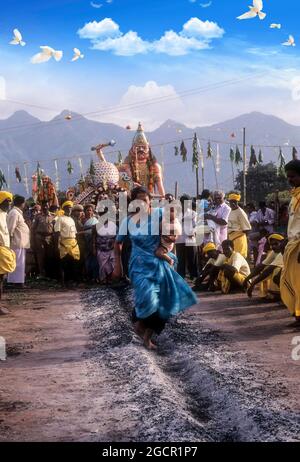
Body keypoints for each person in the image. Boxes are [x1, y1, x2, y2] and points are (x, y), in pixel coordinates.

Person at [113, 186, 197, 350]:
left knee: (165, 302)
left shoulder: (160, 214)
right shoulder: (128, 221)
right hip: (139, 265)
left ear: (150, 200)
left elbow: (175, 231)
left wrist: (168, 242)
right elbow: (118, 243)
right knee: (150, 299)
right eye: (138, 201)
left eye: (145, 200)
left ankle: (147, 336)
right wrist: (117, 265)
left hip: (160, 262)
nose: (142, 204)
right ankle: (139, 322)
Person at [280, 160, 300, 322]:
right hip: (292, 245)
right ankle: (296, 313)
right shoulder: (294, 196)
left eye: (293, 176)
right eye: (288, 177)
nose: (290, 180)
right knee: (292, 281)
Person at [244, 234, 285, 301]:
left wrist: (253, 284)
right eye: (271, 245)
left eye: (276, 244)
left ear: (282, 244)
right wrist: (247, 279)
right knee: (265, 269)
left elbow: (269, 270)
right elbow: (260, 266)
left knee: (276, 270)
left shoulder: (283, 252)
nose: (273, 247)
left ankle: (282, 294)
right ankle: (275, 293)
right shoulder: (274, 252)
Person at [54, 201, 80, 286]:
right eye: (67, 208)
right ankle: (62, 282)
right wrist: (57, 245)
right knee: (63, 263)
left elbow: (75, 233)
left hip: (73, 243)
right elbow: (57, 233)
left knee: (74, 262)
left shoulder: (72, 219)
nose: (69, 210)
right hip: (64, 243)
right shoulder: (60, 219)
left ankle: (73, 281)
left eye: (70, 208)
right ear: (64, 209)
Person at [7, 195, 30, 287]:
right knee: (18, 263)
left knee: (18, 262)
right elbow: (10, 228)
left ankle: (15, 281)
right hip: (17, 242)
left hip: (19, 242)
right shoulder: (14, 213)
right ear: (22, 203)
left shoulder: (16, 212)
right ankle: (18, 282)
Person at [0, 192, 16, 315]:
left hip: (4, 250)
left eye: (10, 202)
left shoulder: (4, 214)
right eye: (6, 201)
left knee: (1, 279)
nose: (9, 204)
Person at [176, 194, 198, 280]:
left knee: (192, 258)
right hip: (179, 239)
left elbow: (196, 226)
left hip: (190, 238)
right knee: (180, 259)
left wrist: (192, 232)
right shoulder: (176, 213)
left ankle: (194, 276)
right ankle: (181, 276)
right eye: (182, 202)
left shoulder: (193, 213)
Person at [93, 207, 117, 284]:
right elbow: (94, 238)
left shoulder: (113, 225)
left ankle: (110, 279)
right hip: (101, 250)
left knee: (111, 265)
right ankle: (103, 280)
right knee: (103, 267)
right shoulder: (96, 226)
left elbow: (117, 237)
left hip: (111, 250)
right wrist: (94, 248)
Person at [32, 201, 56, 278]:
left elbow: (55, 229)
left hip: (49, 238)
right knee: (40, 256)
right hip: (39, 237)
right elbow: (33, 228)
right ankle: (41, 273)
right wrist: (32, 240)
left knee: (50, 255)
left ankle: (49, 274)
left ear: (49, 206)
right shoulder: (37, 216)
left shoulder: (53, 216)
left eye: (46, 205)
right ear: (41, 207)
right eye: (43, 206)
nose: (45, 207)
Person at [227, 193, 252, 258]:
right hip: (231, 238)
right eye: (231, 202)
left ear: (237, 202)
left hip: (239, 238)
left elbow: (247, 228)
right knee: (232, 259)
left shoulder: (241, 212)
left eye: (234, 202)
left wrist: (247, 240)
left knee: (238, 258)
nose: (233, 203)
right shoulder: (229, 211)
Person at [83, 204, 99, 282]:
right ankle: (88, 277)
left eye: (90, 210)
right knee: (87, 260)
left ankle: (95, 277)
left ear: (92, 212)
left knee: (95, 260)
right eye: (87, 210)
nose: (89, 212)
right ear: (84, 211)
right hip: (85, 243)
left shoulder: (95, 220)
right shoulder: (82, 220)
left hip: (94, 242)